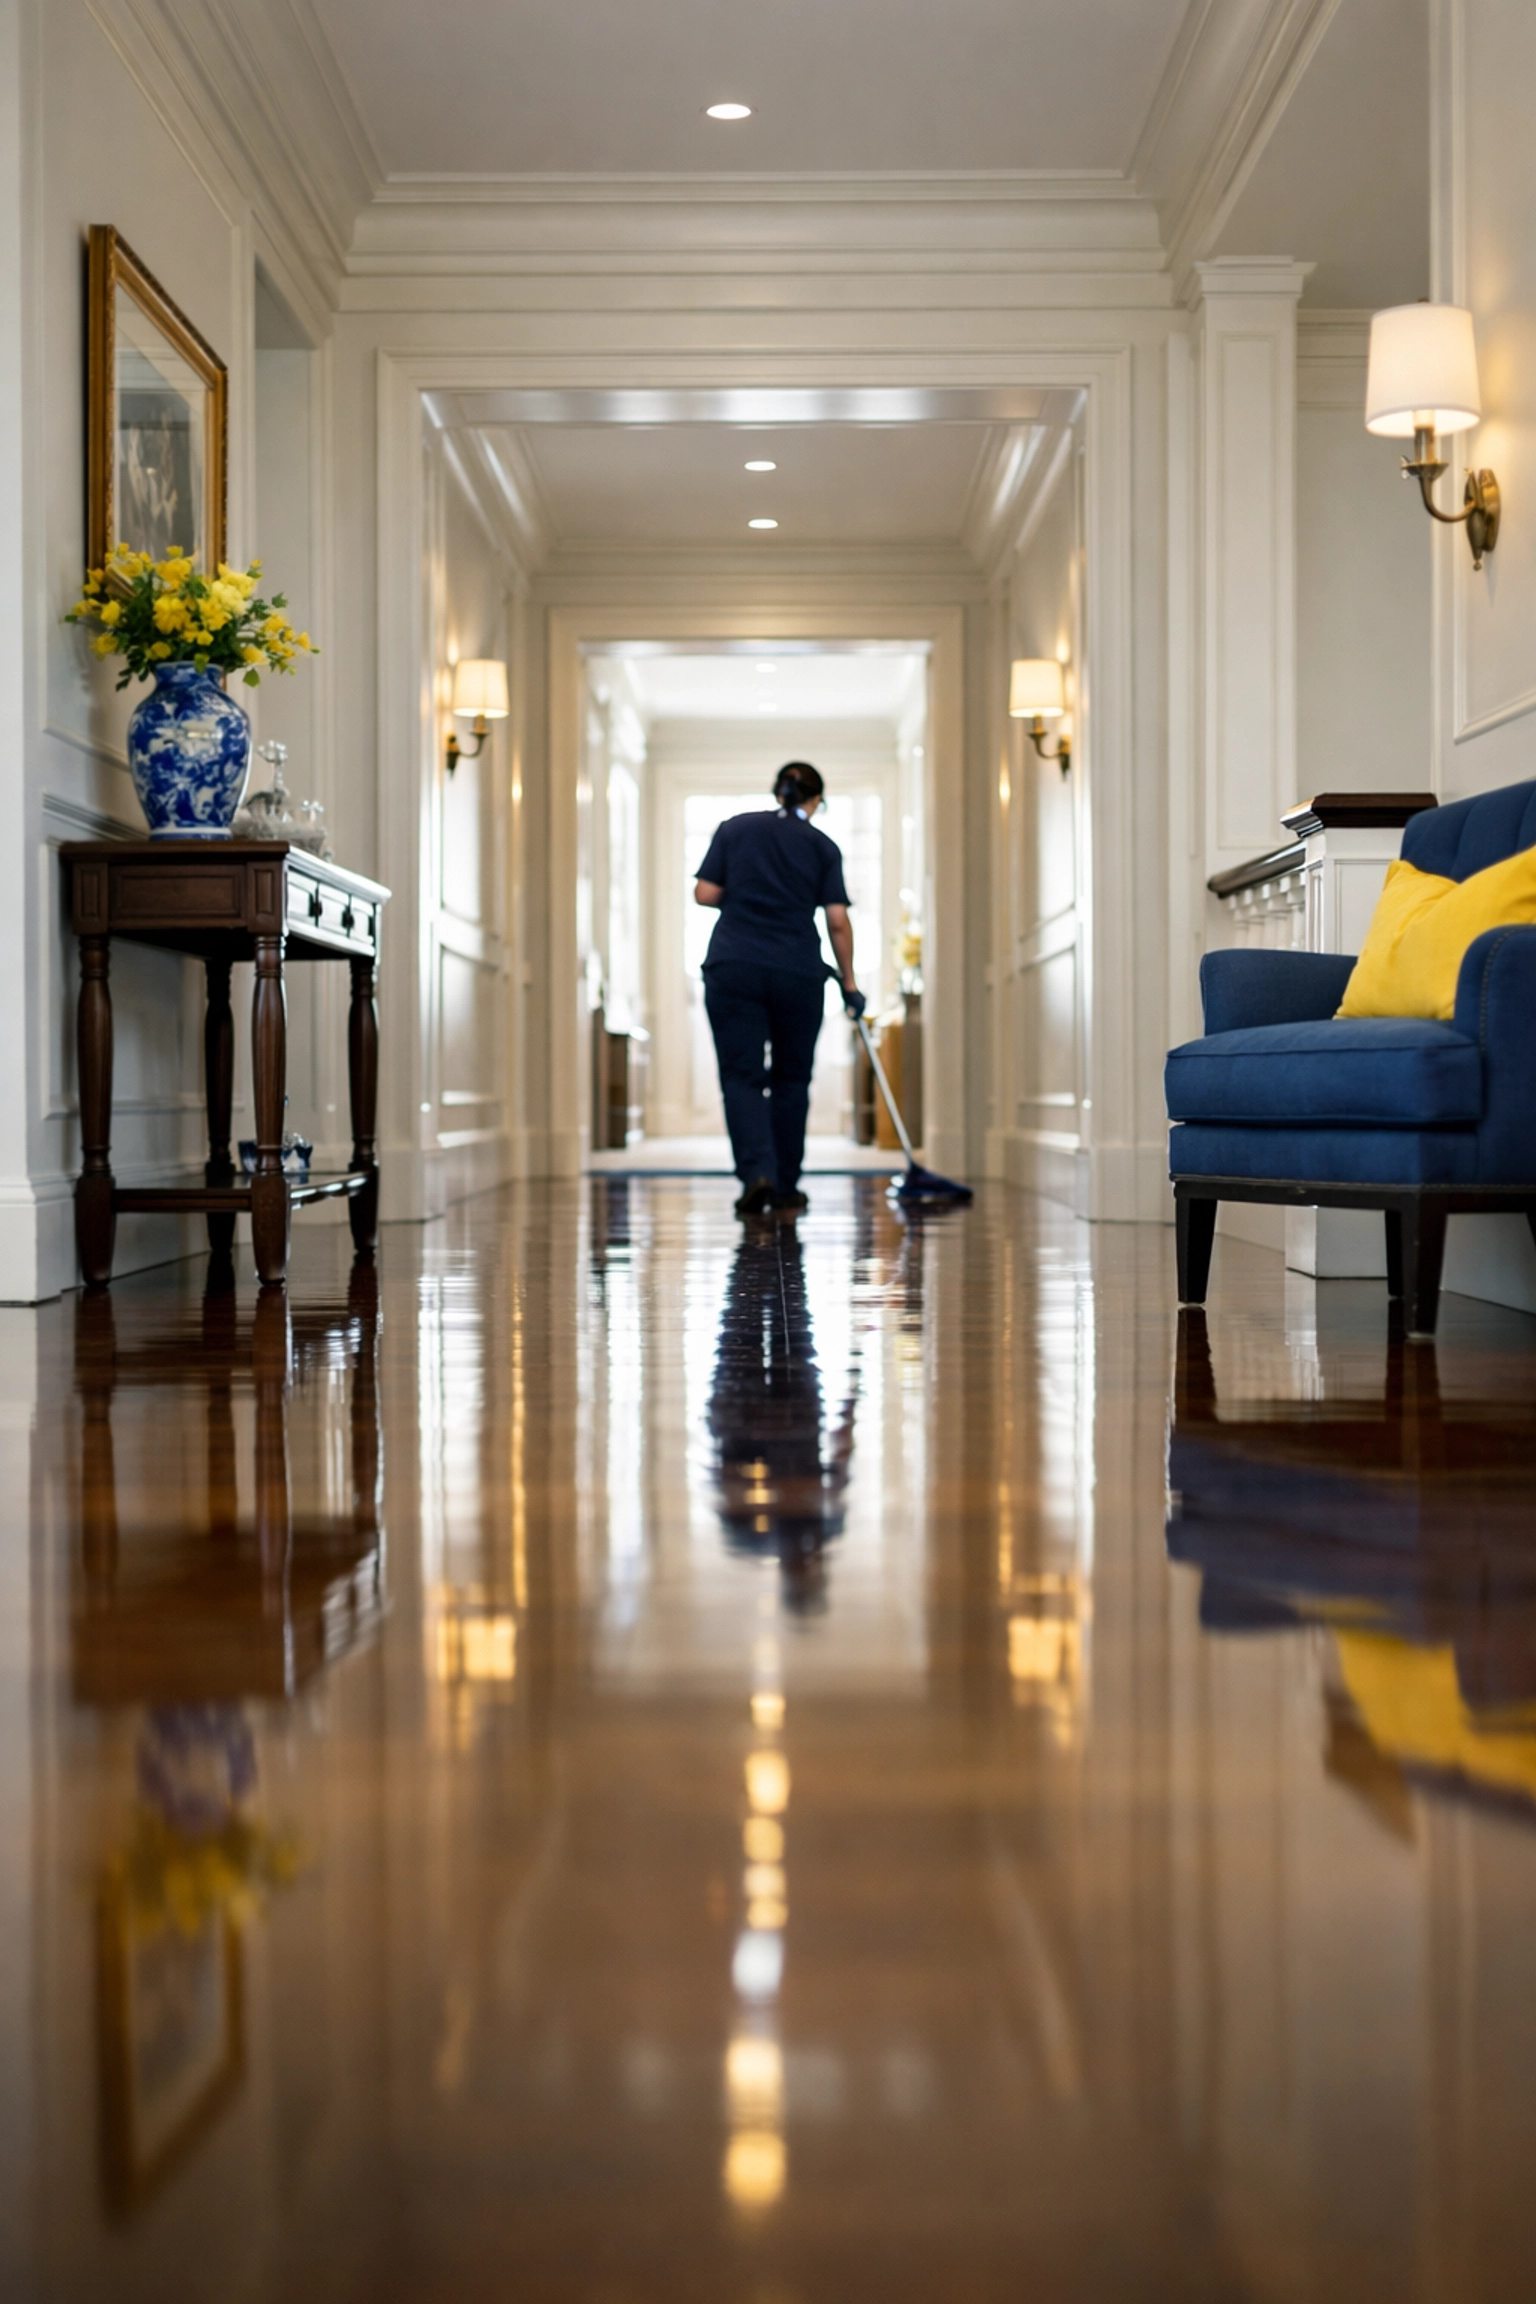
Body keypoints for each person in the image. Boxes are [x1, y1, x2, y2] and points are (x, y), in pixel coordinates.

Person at [694, 761, 864, 1217]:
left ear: (777, 793)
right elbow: (837, 921)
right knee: (792, 1078)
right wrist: (849, 983)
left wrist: (747, 892)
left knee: (741, 1076)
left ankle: (757, 1175)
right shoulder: (822, 845)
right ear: (816, 800)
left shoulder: (735, 828)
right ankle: (786, 1183)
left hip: (734, 967)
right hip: (797, 971)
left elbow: (705, 893)